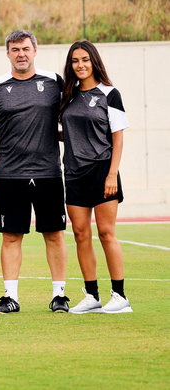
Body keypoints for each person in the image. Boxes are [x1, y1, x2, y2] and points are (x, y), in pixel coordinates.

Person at [0, 29, 70, 314]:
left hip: (49, 173)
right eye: (15, 49)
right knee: (10, 236)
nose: (21, 54)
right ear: (7, 53)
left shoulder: (55, 82)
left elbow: (70, 119)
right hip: (9, 174)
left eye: (25, 49)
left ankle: (59, 296)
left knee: (54, 234)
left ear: (35, 50)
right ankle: (10, 297)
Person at [60, 40, 132, 314]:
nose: (80, 65)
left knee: (105, 233)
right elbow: (69, 133)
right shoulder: (67, 95)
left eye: (85, 60)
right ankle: (92, 295)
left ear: (94, 62)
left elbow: (117, 137)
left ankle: (120, 295)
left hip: (103, 170)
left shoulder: (109, 93)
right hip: (74, 173)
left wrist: (112, 173)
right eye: (75, 60)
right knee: (80, 234)